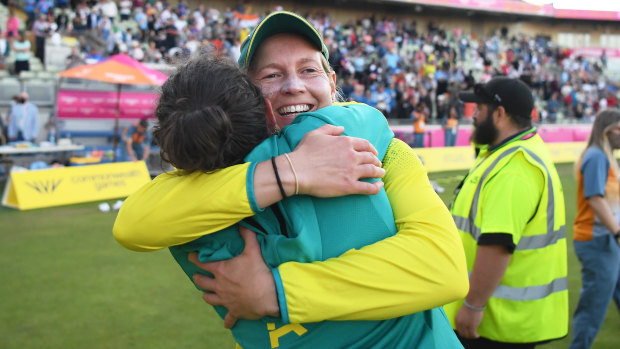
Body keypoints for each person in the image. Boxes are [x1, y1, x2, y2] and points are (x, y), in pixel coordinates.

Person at [114, 10, 467, 342]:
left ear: (332, 82)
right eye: (271, 74)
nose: (293, 85)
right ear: (249, 95)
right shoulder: (223, 175)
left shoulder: (387, 152)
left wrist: (274, 291)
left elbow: (444, 269)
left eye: (309, 70)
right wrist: (289, 172)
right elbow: (133, 223)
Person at [443, 77, 568, 348]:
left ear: (499, 114)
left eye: (479, 109)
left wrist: (473, 306)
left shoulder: (515, 167)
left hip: (496, 324)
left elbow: (497, 245)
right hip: (496, 317)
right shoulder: (505, 153)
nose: (473, 116)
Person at [570, 109, 620, 349]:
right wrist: (617, 232)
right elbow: (595, 198)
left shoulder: (603, 155)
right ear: (607, 130)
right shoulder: (596, 156)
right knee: (594, 305)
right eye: (619, 129)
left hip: (605, 239)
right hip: (597, 240)